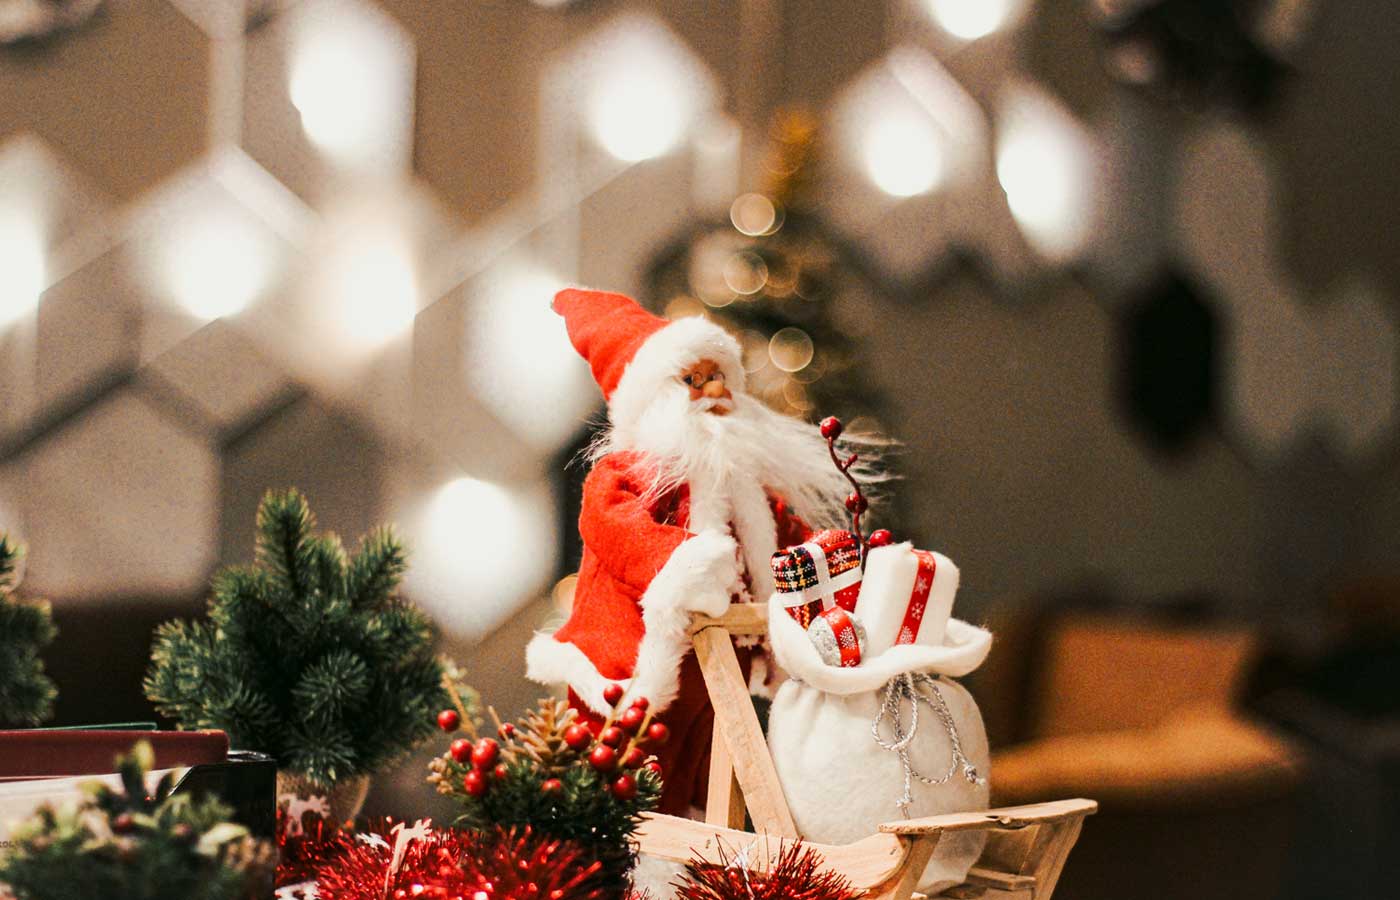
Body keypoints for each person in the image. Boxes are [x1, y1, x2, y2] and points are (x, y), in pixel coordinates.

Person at [526, 287, 861, 814]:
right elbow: (617, 532)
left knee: (703, 777)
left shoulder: (745, 489)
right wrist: (688, 565)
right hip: (630, 666)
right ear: (654, 397)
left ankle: (692, 875)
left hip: (716, 670)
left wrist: (823, 559)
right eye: (693, 379)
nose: (714, 390)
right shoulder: (625, 475)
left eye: (720, 376)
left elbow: (782, 540)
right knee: (628, 777)